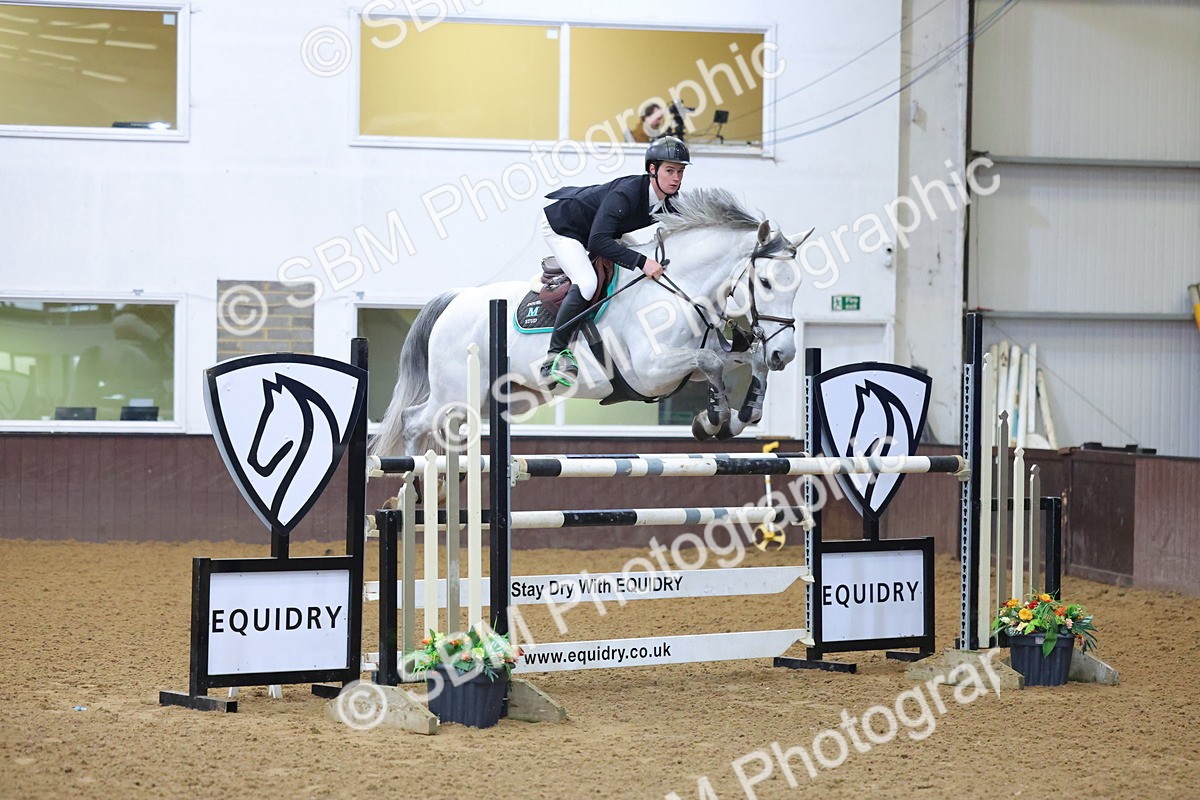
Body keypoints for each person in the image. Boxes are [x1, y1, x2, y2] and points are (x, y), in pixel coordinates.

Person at [538, 136, 690, 387]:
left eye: (680, 172)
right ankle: (554, 357)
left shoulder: (669, 199)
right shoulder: (626, 194)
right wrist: (642, 262)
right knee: (587, 283)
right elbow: (598, 242)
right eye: (670, 171)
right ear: (652, 170)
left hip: (598, 230)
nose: (676, 178)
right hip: (564, 227)